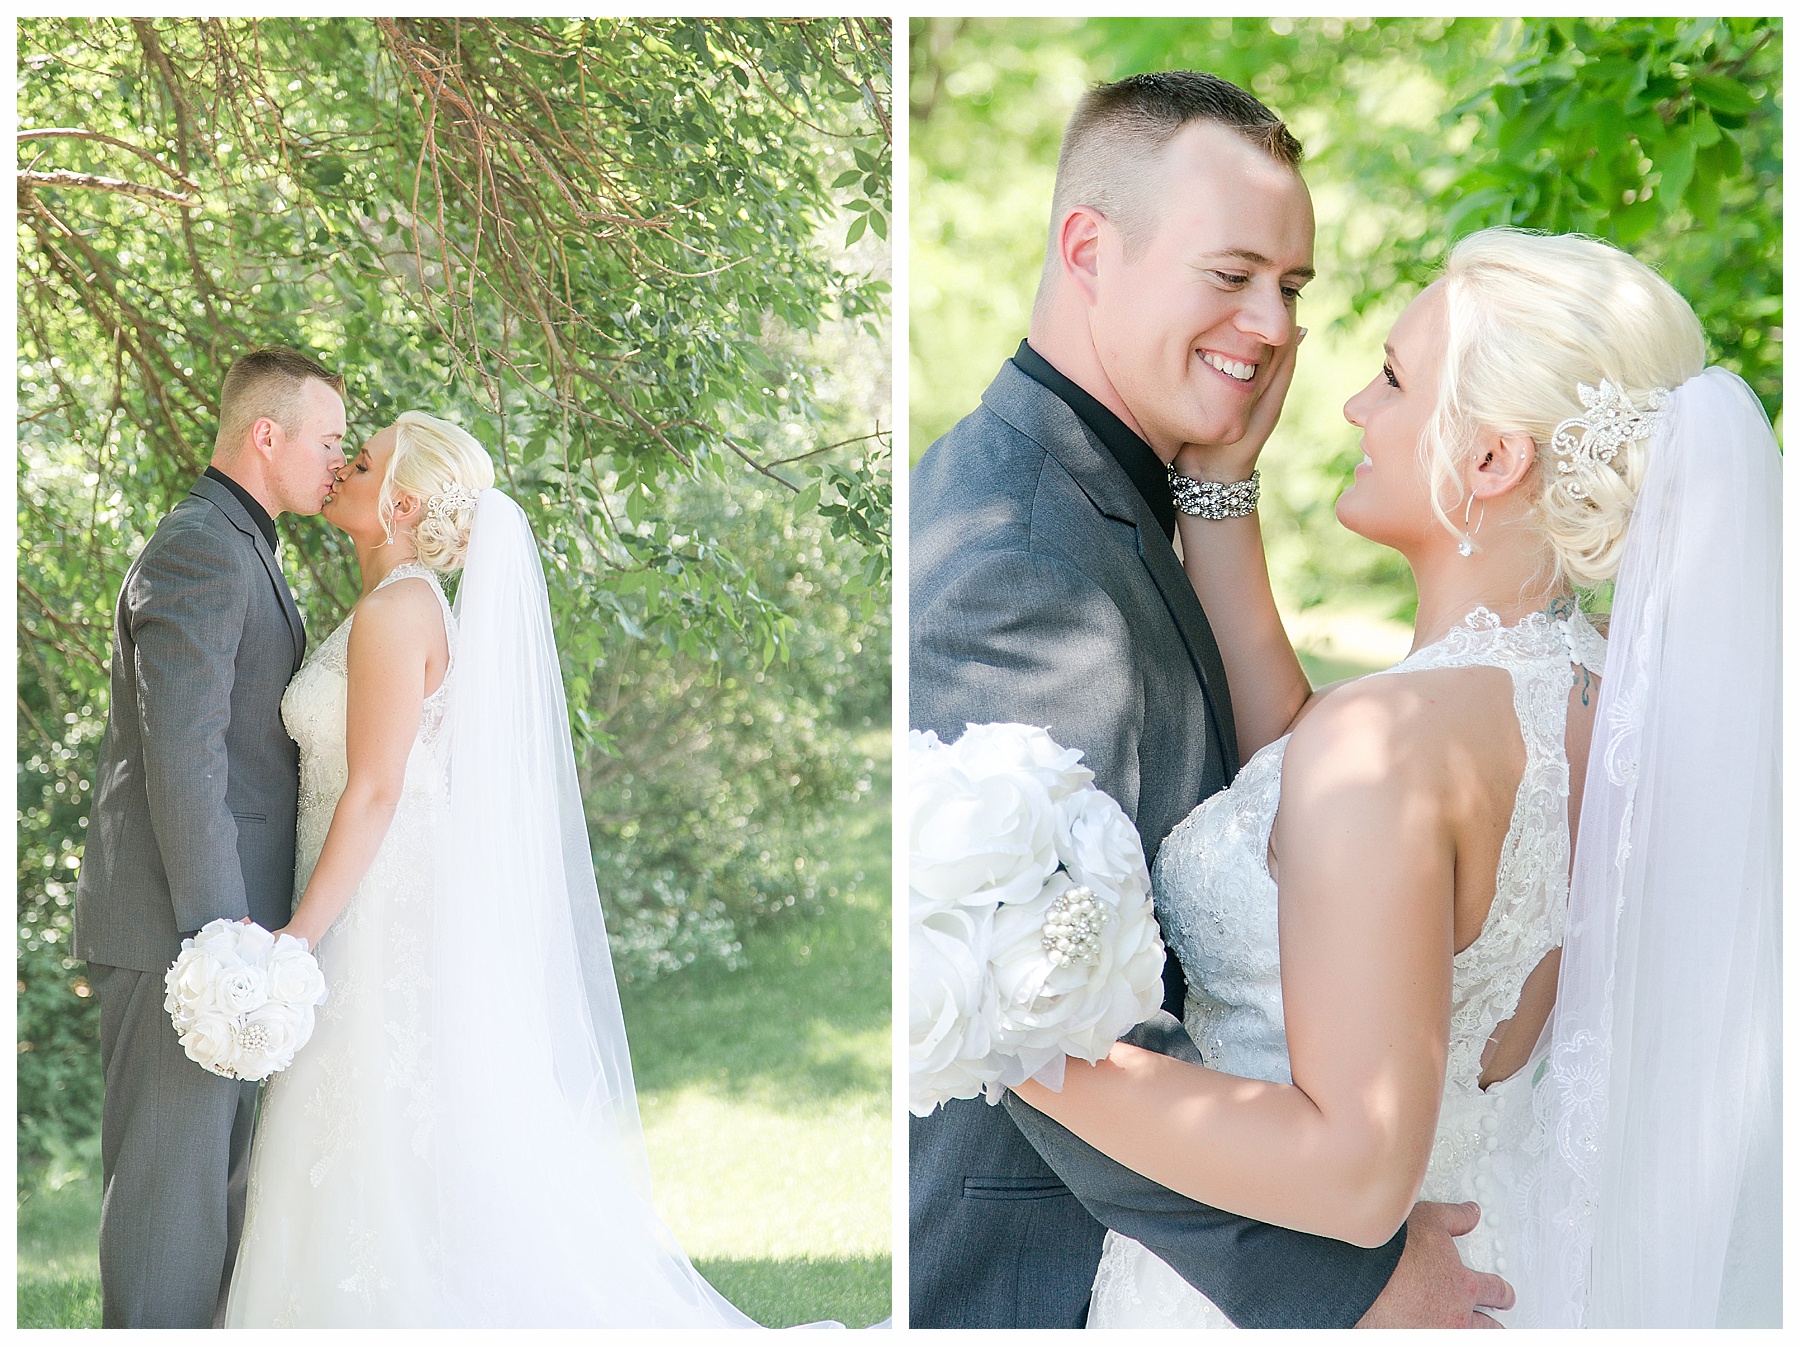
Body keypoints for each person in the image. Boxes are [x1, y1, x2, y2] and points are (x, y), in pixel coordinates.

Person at [1011, 227, 1781, 1328]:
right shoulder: (1601, 706)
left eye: (1394, 379)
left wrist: (1011, 1035)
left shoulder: (1391, 743)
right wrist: (1223, 488)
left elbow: (1352, 1172)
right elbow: (1295, 751)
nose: (1355, 410)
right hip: (1503, 1254)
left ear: (1489, 461)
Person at [910, 70, 1500, 1329]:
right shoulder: (1015, 555)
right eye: (1231, 274)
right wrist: (1349, 1280)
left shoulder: (1109, 497)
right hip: (1036, 1275)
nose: (1275, 325)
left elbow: (1270, 776)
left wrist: (1219, 502)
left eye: (1291, 287)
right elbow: (1026, 1009)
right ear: (1089, 249)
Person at [223, 413, 769, 1326]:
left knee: (383, 1127)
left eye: (360, 461)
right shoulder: (391, 606)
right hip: (372, 896)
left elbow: (376, 793)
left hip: (379, 910)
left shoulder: (399, 610)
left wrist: (295, 943)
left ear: (398, 502)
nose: (342, 469)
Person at [72, 346, 347, 1328]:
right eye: (327, 439)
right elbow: (182, 757)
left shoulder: (245, 541)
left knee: (213, 1209)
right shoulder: (199, 545)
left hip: (217, 938)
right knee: (168, 1218)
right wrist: (223, 937)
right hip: (179, 935)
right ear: (265, 434)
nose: (337, 459)